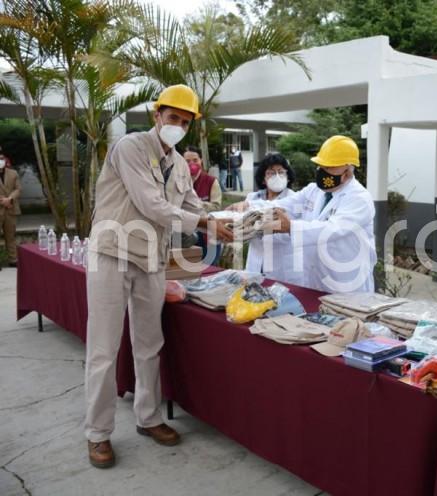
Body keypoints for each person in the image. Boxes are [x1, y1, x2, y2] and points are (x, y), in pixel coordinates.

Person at [84, 85, 233, 469]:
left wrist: (230, 220)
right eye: (173, 118)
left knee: (149, 342)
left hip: (151, 258)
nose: (178, 126)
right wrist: (203, 221)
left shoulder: (181, 165)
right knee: (104, 348)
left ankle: (148, 418)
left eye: (185, 122)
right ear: (157, 115)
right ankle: (98, 434)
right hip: (111, 252)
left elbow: (195, 207)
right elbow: (153, 204)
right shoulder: (130, 147)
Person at [238, 136, 376, 293]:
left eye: (329, 168)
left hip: (346, 284)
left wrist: (290, 227)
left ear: (348, 172)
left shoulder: (359, 199)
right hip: (315, 281)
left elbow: (331, 230)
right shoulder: (314, 190)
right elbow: (283, 205)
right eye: (321, 166)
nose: (323, 172)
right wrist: (249, 207)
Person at [241, 153, 298, 282]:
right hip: (255, 262)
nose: (277, 176)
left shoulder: (294, 198)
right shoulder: (252, 198)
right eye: (271, 173)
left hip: (281, 264)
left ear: (288, 177)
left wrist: (258, 225)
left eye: (281, 172)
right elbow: (244, 226)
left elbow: (291, 232)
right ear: (263, 179)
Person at [185, 145, 222, 265]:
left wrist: (195, 204)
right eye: (187, 161)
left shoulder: (211, 181)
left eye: (195, 160)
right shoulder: (179, 182)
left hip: (208, 234)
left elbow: (216, 206)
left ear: (201, 160)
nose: (192, 164)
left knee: (209, 270)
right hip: (186, 235)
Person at [0, 150, 21, 267]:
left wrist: (10, 199)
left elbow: (18, 189)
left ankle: (13, 260)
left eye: (2, 158)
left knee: (10, 236)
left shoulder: (13, 173)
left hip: (10, 208)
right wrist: (3, 200)